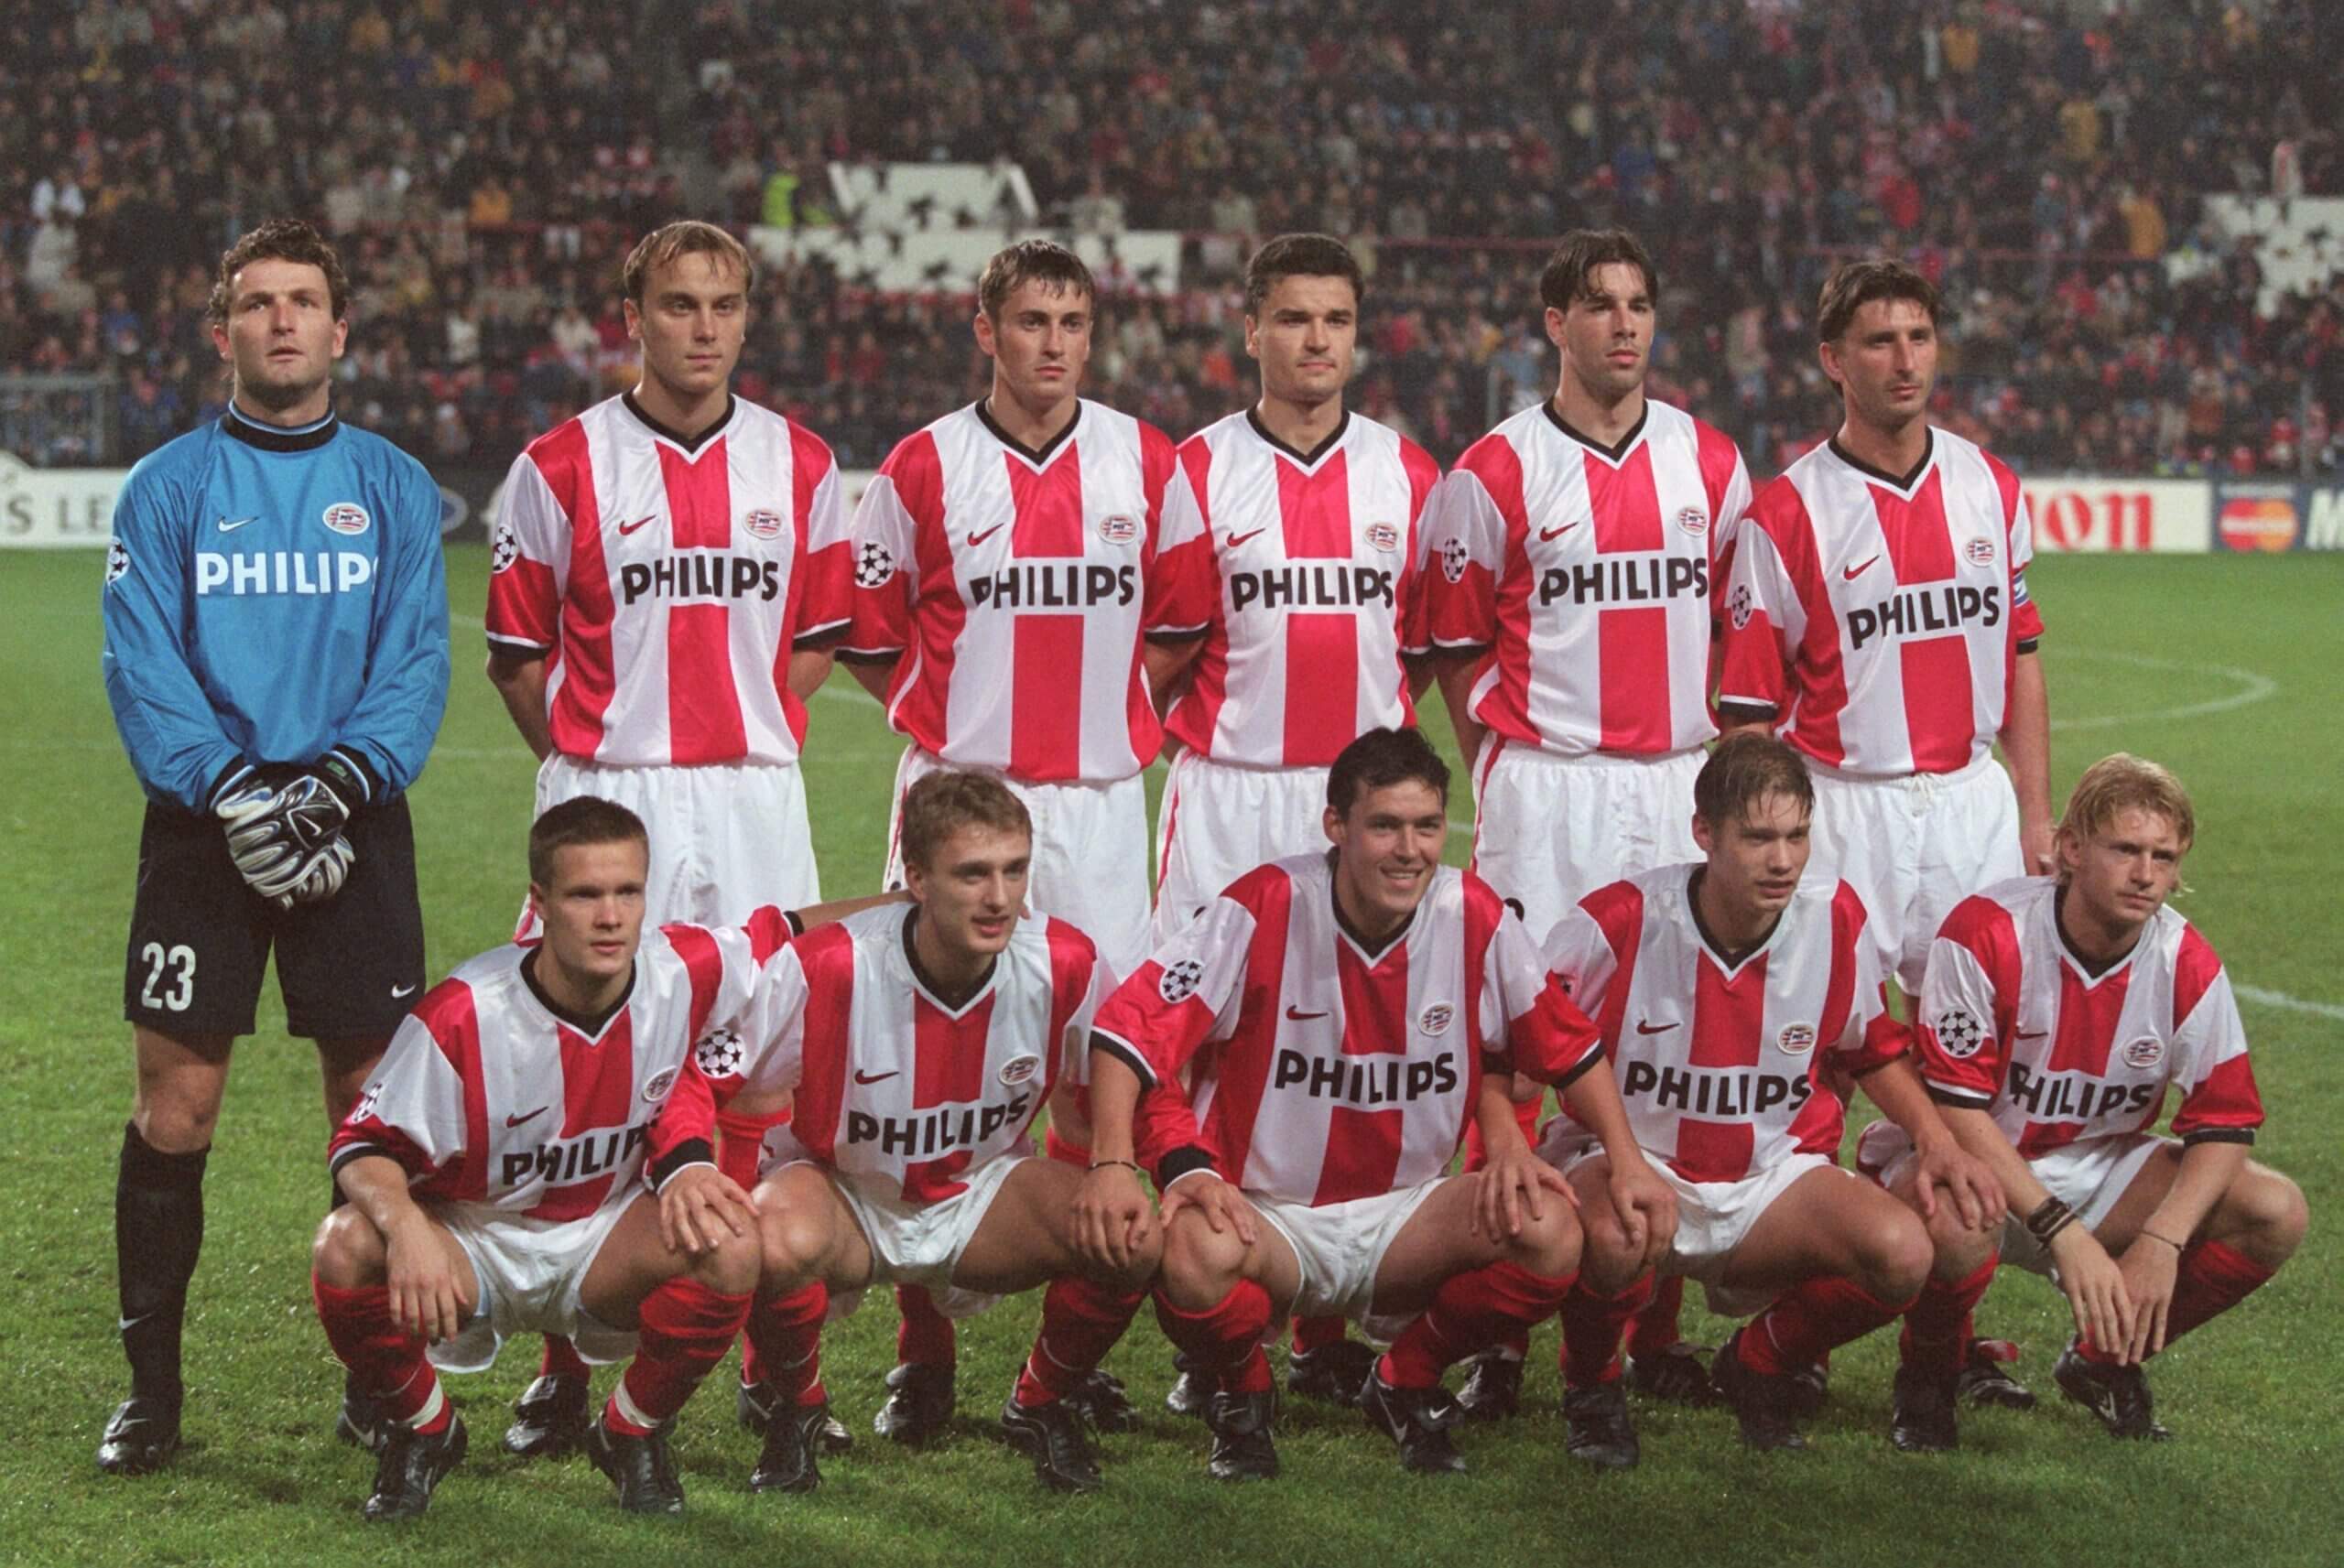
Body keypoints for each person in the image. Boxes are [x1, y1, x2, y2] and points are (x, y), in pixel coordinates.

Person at [483, 218, 853, 1457]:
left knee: (757, 1078)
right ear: (630, 316)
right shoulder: (559, 464)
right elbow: (519, 658)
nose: (704, 327)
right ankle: (561, 1364)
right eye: (679, 304)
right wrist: (601, 754)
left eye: (726, 304)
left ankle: (770, 1368)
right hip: (614, 788)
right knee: (581, 1073)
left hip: (751, 792)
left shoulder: (803, 464)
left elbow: (814, 642)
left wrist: (746, 732)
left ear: (748, 317)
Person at [1079, 727, 1676, 1479]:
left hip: (1406, 1213)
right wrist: (1122, 1162)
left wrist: (1626, 1163)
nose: (1410, 848)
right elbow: (1127, 1031)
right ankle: (1243, 1393)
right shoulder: (1264, 904)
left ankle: (1405, 1379)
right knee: (1193, 1253)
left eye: (1427, 826)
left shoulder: (1474, 914)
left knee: (1551, 1231)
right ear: (1337, 826)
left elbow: (1566, 1046)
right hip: (1270, 1214)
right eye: (1385, 825)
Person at [96, 219, 450, 1476]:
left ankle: (375, 1382)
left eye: (305, 301)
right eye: (258, 303)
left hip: (354, 824)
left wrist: (339, 782)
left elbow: (416, 662)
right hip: (206, 832)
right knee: (174, 1112)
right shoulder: (170, 488)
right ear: (223, 331)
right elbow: (141, 666)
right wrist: (239, 792)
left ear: (341, 329)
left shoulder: (398, 489)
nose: (283, 322)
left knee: (368, 1119)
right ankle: (153, 1393)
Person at [838, 238, 1190, 1439]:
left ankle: (1066, 1358)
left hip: (1095, 805)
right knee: (929, 1075)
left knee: (1105, 1079)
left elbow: (1183, 621)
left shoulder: (1146, 459)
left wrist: (1109, 717)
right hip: (956, 799)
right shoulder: (922, 463)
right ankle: (920, 1351)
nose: (1054, 344)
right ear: (984, 330)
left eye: (1074, 323)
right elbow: (872, 630)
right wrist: (946, 729)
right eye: (1032, 321)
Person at [1422, 228, 1755, 1415]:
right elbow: (1455, 647)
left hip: (1674, 779)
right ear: (1552, 323)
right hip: (1548, 787)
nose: (1624, 325)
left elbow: (1735, 626)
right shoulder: (1493, 470)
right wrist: (1505, 767)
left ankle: (1642, 1318)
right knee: (1516, 1048)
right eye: (1599, 305)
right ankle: (1505, 1313)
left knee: (1668, 1042)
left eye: (1640, 304)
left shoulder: (1713, 465)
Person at [1716, 256, 2055, 1411]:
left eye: (1919, 337)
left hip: (1968, 801)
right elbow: (1750, 711)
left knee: (1979, 1066)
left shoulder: (1991, 487)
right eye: (1878, 341)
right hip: (1843, 802)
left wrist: (2036, 806)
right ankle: (1793, 1295)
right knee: (1821, 1052)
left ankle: (1945, 1336)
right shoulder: (1786, 509)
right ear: (1832, 362)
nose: (1904, 359)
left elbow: (2019, 659)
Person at [650, 770, 1149, 1495]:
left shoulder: (1064, 960)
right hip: (845, 1194)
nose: (1000, 897)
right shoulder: (830, 964)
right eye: (973, 874)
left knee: (1133, 1238)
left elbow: (1129, 1059)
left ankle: (1039, 1401)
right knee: (766, 1238)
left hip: (980, 1196)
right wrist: (691, 1163)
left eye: (1014, 870)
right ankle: (799, 1406)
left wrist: (1115, 1161)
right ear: (914, 877)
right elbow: (700, 1071)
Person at [1143, 232, 1442, 1413]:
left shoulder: (1408, 477)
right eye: (1294, 320)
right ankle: (1217, 1341)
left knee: (1353, 1047)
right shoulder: (1195, 472)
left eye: (1335, 321)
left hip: (1354, 808)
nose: (1316, 341)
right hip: (1228, 792)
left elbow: (1413, 650)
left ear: (1356, 336)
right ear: (1250, 332)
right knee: (1209, 1050)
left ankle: (1325, 1326)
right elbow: (1163, 649)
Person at [1533, 734, 2004, 1460]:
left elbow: (1872, 1045)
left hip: (1769, 1180)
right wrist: (1518, 1147)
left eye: (1796, 836)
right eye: (1757, 838)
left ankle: (1760, 1360)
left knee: (1904, 1250)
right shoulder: (1618, 921)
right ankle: (1592, 1385)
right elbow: (1525, 1042)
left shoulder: (1833, 916)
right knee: (1616, 1232)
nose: (1782, 860)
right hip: (1638, 1168)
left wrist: (1937, 1140)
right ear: (1704, 834)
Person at [315, 798, 784, 1518]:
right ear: (539, 903)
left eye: (627, 891)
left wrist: (923, 897)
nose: (610, 916)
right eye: (585, 894)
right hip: (476, 1239)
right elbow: (360, 1144)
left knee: (732, 1239)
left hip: (602, 1237)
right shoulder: (465, 1012)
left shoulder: (680, 969)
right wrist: (405, 1223)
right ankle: (425, 1430)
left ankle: (631, 1433)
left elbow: (791, 934)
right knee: (345, 1246)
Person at [1859, 754, 2306, 1448]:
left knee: (2274, 1210)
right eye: (2126, 849)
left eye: (2164, 856)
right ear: (2070, 848)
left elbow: (2226, 1122)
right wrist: (2062, 1229)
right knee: (1957, 1215)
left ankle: (2103, 1361)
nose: (2145, 873)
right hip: (1976, 1159)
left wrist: (2162, 1241)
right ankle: (1928, 1372)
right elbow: (1956, 1111)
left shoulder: (2185, 961)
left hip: (2101, 1166)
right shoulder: (1986, 931)